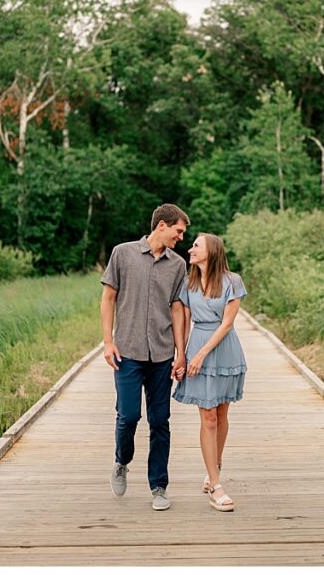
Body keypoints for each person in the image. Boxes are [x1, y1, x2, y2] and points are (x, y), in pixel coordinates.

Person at [102, 204, 190, 511]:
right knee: (128, 416)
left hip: (162, 353)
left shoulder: (178, 265)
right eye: (178, 231)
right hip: (126, 351)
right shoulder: (122, 254)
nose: (181, 238)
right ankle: (121, 461)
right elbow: (108, 296)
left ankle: (159, 486)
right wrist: (108, 341)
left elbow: (178, 308)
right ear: (162, 226)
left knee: (160, 421)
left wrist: (181, 353)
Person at [171, 232, 248, 512]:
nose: (190, 249)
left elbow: (227, 324)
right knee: (208, 416)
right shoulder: (188, 283)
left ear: (211, 252)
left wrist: (202, 355)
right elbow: (185, 321)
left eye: (195, 246)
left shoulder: (232, 281)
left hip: (224, 349)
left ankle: (213, 466)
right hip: (198, 347)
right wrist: (182, 356)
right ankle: (216, 486)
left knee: (222, 413)